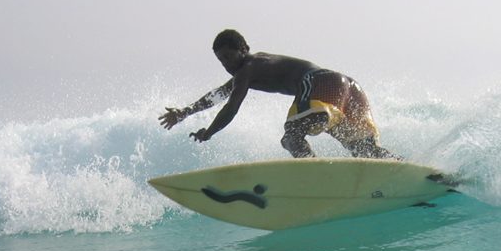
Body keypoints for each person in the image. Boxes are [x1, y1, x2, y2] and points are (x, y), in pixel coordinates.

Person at [159, 29, 399, 159]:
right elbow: (220, 94)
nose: (225, 64)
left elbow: (231, 106)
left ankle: (312, 173)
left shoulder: (248, 69)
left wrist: (208, 133)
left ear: (244, 50)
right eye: (220, 60)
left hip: (321, 83)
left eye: (228, 57)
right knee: (362, 149)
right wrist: (186, 112)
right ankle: (404, 169)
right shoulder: (253, 67)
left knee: (291, 136)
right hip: (347, 87)